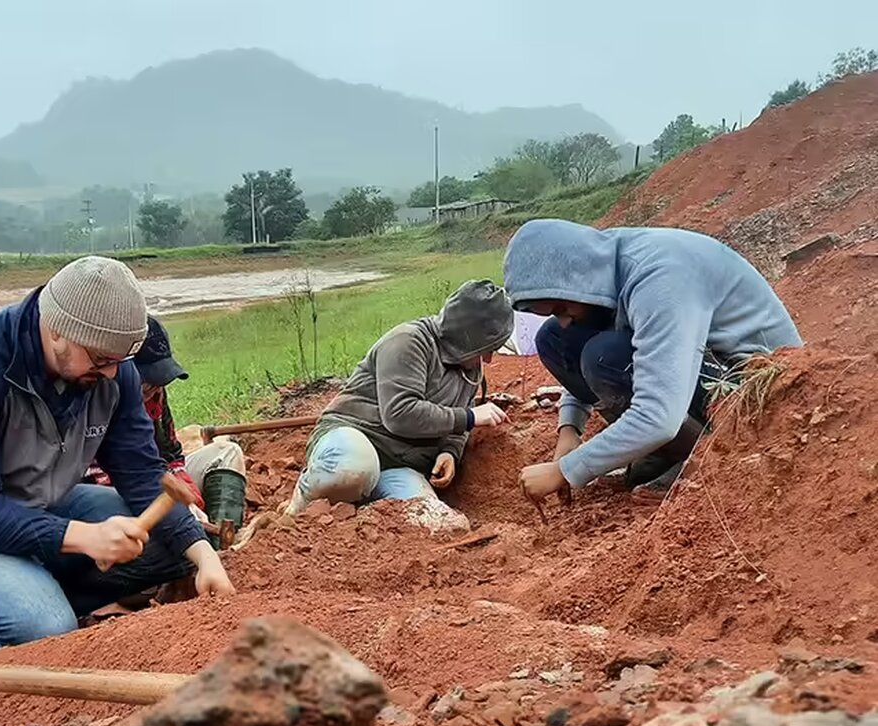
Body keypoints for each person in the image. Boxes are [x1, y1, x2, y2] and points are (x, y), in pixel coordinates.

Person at [0, 255, 235, 649]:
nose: (112, 374)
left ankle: (27, 585)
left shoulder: (110, 369)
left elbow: (140, 471)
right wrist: (85, 537)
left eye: (120, 361)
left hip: (38, 501)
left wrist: (203, 556)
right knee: (45, 627)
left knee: (176, 548)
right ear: (57, 331)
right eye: (101, 359)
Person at [502, 218, 803, 503]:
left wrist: (564, 471)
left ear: (577, 279)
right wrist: (569, 430)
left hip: (759, 394)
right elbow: (577, 336)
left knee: (606, 357)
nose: (564, 320)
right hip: (707, 362)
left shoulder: (659, 278)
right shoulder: (602, 265)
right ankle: (664, 451)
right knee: (555, 339)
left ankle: (706, 458)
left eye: (560, 308)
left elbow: (658, 414)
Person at [285, 279, 514, 514]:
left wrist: (449, 452)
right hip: (356, 435)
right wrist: (469, 417)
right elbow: (400, 414)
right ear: (467, 337)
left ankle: (358, 510)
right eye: (486, 349)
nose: (488, 360)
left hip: (399, 464)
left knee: (435, 521)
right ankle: (298, 508)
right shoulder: (409, 342)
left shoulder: (469, 367)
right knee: (351, 472)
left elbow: (458, 423)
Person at [85, 315, 247, 548]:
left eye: (160, 380)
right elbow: (98, 478)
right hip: (119, 495)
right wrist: (169, 501)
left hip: (157, 483)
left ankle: (218, 542)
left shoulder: (156, 397)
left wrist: (186, 494)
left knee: (227, 452)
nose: (155, 388)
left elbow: (171, 455)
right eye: (147, 381)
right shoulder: (96, 399)